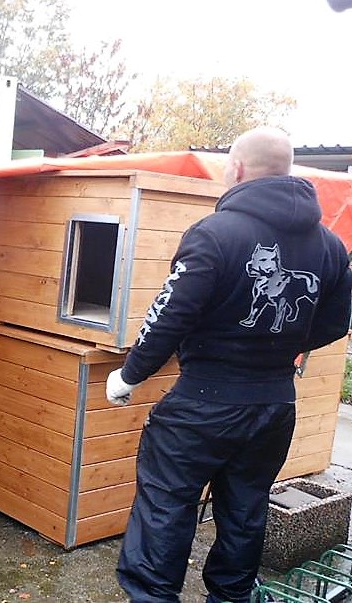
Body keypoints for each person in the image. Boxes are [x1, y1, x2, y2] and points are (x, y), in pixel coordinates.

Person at [105, 126, 352, 603]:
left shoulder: (215, 234)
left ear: (236, 170)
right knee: (245, 510)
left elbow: (170, 315)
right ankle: (233, 597)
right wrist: (280, 343)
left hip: (201, 405)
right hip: (275, 404)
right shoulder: (330, 246)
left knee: (166, 506)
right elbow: (334, 325)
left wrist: (130, 374)